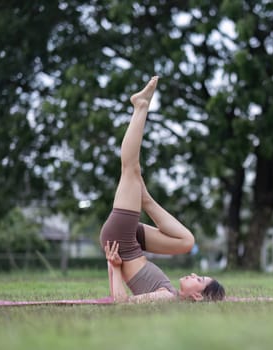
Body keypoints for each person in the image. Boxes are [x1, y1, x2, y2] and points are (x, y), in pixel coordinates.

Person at [99, 76, 225, 303]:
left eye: (200, 279)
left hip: (122, 241)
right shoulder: (172, 295)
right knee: (187, 242)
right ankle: (145, 200)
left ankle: (140, 106)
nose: (194, 274)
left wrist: (114, 266)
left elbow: (121, 303)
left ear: (197, 296)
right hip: (130, 243)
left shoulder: (166, 298)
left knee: (130, 168)